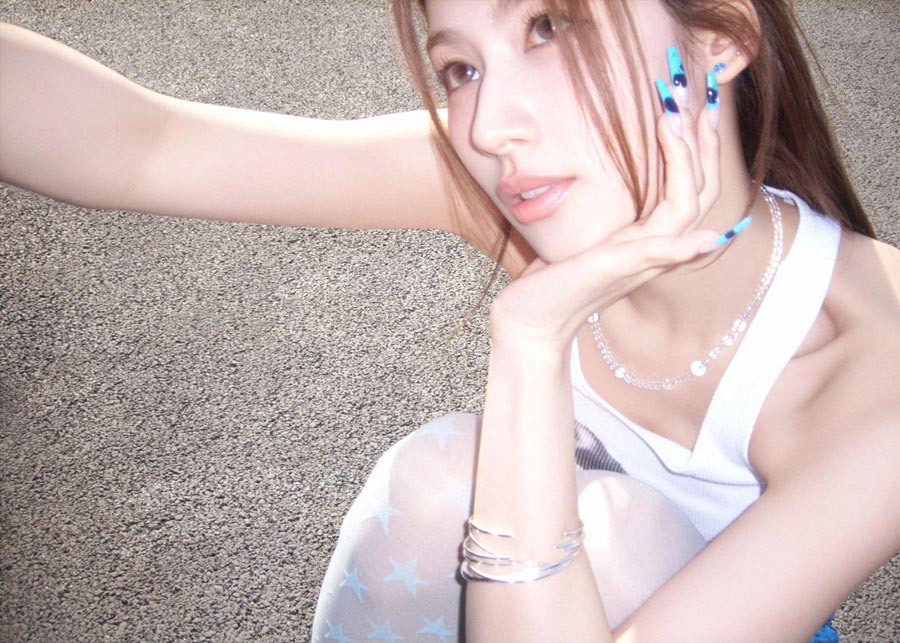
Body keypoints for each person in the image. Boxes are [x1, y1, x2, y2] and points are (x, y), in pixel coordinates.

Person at [1, 2, 897, 642]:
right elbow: (146, 145)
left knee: (608, 530)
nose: (491, 127)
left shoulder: (874, 356)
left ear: (719, 38)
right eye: (462, 69)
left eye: (547, 26)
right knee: (441, 478)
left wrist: (532, 340)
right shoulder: (525, 189)